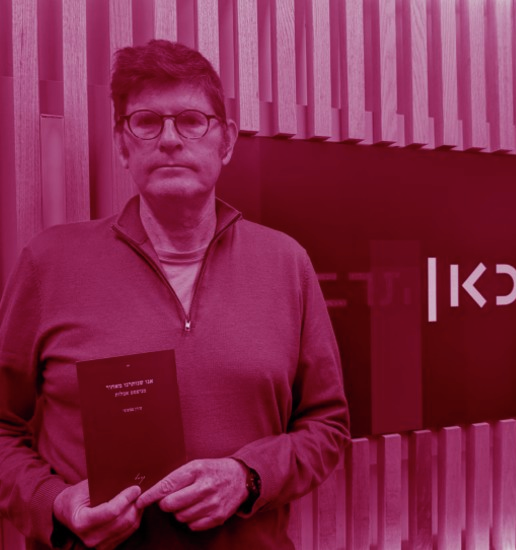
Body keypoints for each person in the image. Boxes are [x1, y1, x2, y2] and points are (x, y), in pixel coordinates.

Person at [0, 39, 349, 549]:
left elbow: (327, 426)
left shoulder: (286, 263)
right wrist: (52, 502)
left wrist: (249, 477)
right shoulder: (49, 263)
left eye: (191, 121)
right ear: (122, 145)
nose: (169, 140)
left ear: (226, 141)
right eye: (146, 122)